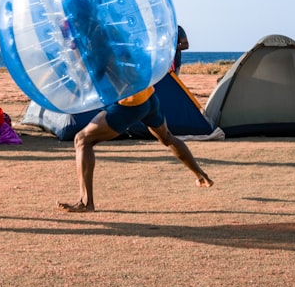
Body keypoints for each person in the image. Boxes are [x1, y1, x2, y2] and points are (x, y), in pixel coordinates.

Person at [58, 83, 213, 213]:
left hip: (130, 104)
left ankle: (86, 203)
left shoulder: (99, 49)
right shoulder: (121, 46)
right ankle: (201, 176)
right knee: (166, 137)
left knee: (82, 140)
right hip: (147, 94)